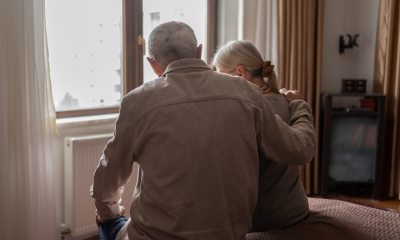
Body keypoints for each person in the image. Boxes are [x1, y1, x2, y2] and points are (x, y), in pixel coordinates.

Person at [91, 21, 316, 240]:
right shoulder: (247, 92)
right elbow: (299, 150)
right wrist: (299, 105)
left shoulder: (136, 101)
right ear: (199, 52)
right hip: (228, 234)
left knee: (109, 222)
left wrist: (109, 213)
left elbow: (106, 183)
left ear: (152, 64)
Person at [211, 40, 311, 231]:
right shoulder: (285, 100)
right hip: (294, 208)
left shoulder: (249, 111)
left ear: (240, 72)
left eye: (220, 76)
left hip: (264, 218)